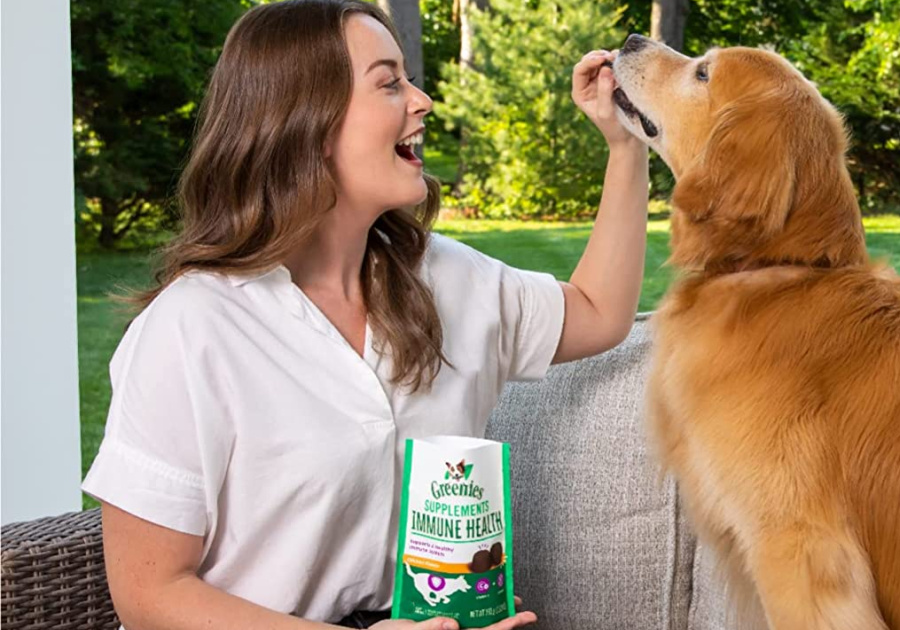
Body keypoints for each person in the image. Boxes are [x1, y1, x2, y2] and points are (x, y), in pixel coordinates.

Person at [79, 1, 648, 628]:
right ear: (309, 123)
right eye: (389, 82)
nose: (422, 99)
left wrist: (625, 146)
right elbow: (150, 593)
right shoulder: (194, 329)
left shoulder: (450, 279)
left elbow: (597, 313)